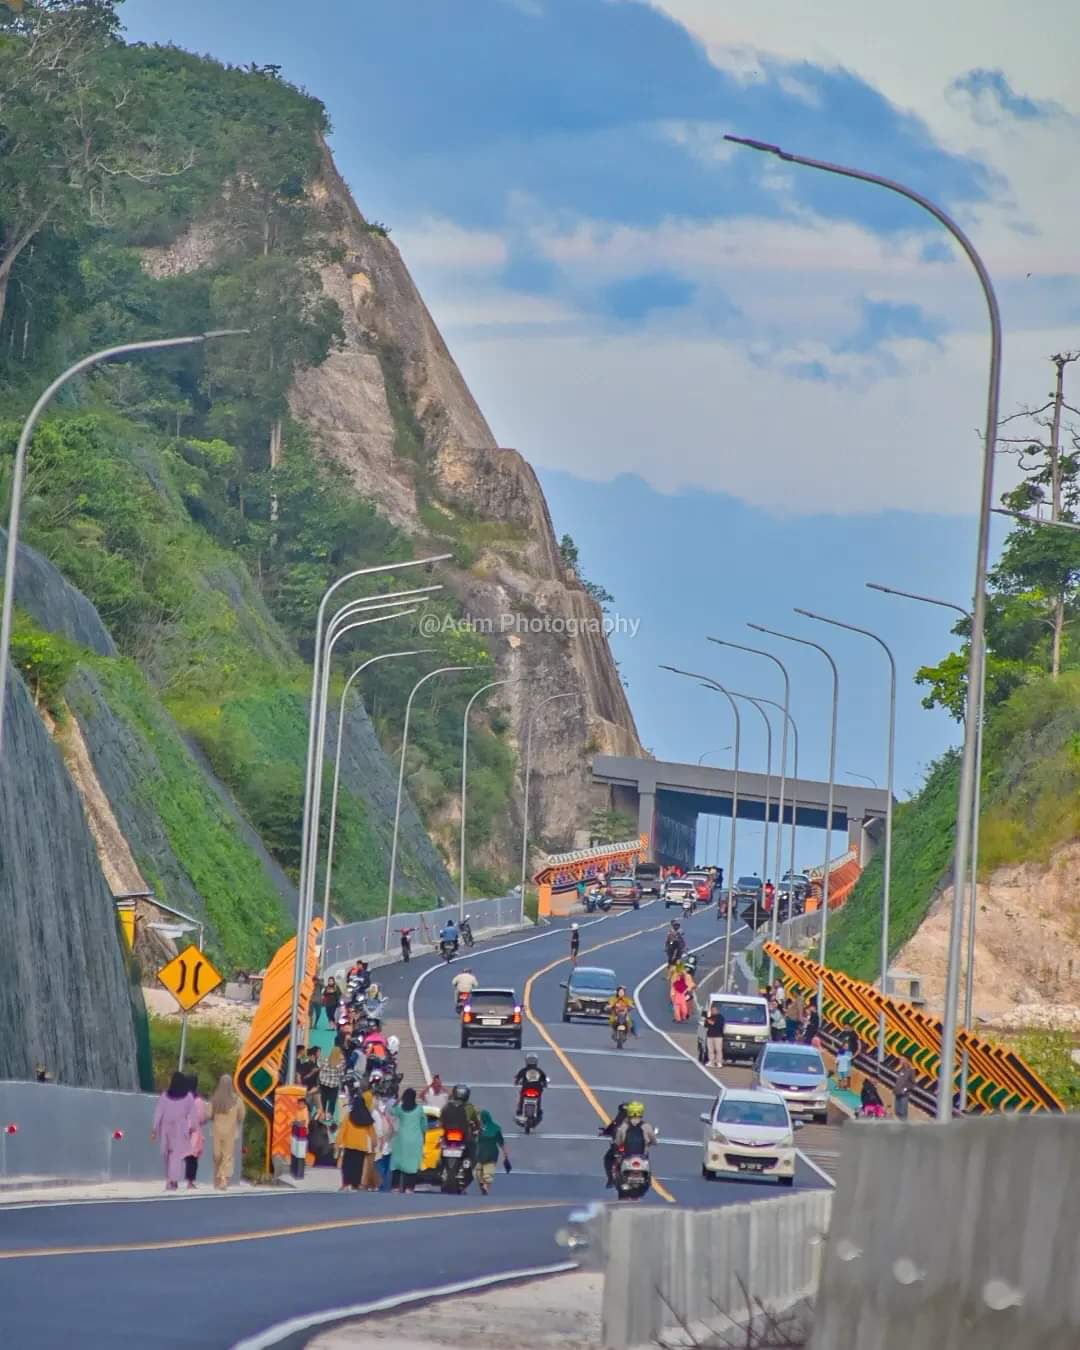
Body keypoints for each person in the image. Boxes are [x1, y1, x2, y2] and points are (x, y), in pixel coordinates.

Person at [151, 1072, 196, 1192]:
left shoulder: (165, 1096)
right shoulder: (188, 1097)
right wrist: (193, 1127)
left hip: (165, 1127)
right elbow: (192, 1114)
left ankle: (169, 1179)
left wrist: (154, 1128)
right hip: (180, 1127)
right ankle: (173, 1180)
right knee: (175, 1155)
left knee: (167, 1154)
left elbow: (158, 1112)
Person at [207, 1074, 246, 1191]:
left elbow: (209, 1115)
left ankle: (217, 1179)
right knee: (227, 1156)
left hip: (217, 1131)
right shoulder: (237, 1100)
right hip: (231, 1131)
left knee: (217, 1155)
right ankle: (223, 1178)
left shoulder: (215, 1099)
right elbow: (241, 1116)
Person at [337, 1090, 375, 1190]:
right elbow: (372, 1133)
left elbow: (342, 1130)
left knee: (347, 1165)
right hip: (361, 1146)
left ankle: (346, 1183)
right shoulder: (367, 1117)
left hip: (349, 1145)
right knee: (358, 1166)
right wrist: (374, 1144)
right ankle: (355, 1184)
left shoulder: (349, 1116)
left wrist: (338, 1143)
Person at [391, 1088, 426, 1193]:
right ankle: (409, 1188)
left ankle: (395, 1187)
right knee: (412, 1164)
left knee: (398, 1163)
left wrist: (399, 1100)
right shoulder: (419, 1109)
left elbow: (391, 1110)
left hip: (401, 1140)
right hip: (415, 1140)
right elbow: (424, 1125)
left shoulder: (401, 1109)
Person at [475, 1109, 510, 1195]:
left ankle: (483, 1186)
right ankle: (486, 1187)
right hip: (492, 1153)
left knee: (478, 1172)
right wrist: (506, 1155)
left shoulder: (480, 1129)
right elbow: (501, 1143)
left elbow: (475, 1141)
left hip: (481, 1153)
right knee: (489, 1173)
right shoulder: (495, 1128)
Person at [182, 1075, 207, 1189]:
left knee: (186, 1157)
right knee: (192, 1158)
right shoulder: (198, 1101)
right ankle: (190, 1182)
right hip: (194, 1133)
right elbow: (201, 1118)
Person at [599, 1102, 631, 1187]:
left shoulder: (618, 1120)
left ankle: (611, 1178)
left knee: (608, 1158)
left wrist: (604, 1132)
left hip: (623, 1147)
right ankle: (611, 1179)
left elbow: (611, 1128)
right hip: (628, 1147)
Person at [372, 1092, 397, 1191]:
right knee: (384, 1165)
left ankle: (383, 1185)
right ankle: (382, 1185)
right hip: (386, 1143)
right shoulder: (379, 1112)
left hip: (386, 1142)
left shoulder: (383, 1110)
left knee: (383, 1165)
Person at [513, 1053, 548, 1122]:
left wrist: (517, 1082)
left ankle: (520, 1110)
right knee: (537, 1098)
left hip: (527, 1088)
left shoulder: (524, 1070)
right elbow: (545, 1080)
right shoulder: (539, 1070)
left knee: (522, 1097)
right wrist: (545, 1084)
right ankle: (536, 1111)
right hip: (536, 1088)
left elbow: (517, 1078)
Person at [318, 1045, 346, 1122]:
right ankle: (329, 1115)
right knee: (332, 1101)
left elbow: (321, 1069)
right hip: (334, 1085)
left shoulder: (326, 1060)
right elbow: (341, 1075)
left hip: (324, 1083)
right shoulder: (340, 1063)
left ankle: (322, 1115)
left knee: (323, 1099)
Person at [704, 1001, 726, 1068]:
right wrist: (706, 1020)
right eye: (712, 1010)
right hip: (710, 1035)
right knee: (710, 1050)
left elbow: (716, 1024)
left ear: (717, 1010)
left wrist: (709, 1021)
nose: (712, 1011)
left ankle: (719, 1062)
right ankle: (711, 1061)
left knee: (718, 1049)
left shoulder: (720, 1018)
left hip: (718, 1036)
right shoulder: (710, 1017)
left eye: (714, 1010)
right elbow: (706, 1025)